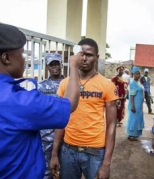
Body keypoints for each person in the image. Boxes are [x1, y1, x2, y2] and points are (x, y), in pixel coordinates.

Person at [0, 23, 82, 178]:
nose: (23, 59)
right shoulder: (22, 101)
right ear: (7, 57)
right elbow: (71, 103)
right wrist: (74, 67)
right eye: (21, 53)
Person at [50, 38, 118, 179]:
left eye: (89, 55)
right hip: (68, 150)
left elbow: (111, 125)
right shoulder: (65, 84)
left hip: (95, 152)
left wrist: (106, 163)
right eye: (81, 54)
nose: (84, 58)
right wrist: (54, 154)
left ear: (97, 58)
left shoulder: (107, 85)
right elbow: (60, 121)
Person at [38, 52, 65, 179]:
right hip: (47, 135)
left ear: (61, 65)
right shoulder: (42, 86)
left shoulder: (69, 84)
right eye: (51, 65)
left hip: (67, 135)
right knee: (47, 169)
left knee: (66, 169)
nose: (55, 67)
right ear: (47, 67)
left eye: (57, 64)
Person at [126, 66, 144, 141]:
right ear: (133, 75)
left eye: (139, 74)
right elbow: (132, 95)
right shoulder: (133, 83)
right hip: (135, 105)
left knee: (138, 119)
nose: (138, 75)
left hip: (139, 105)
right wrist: (133, 106)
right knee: (133, 119)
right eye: (136, 74)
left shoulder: (138, 82)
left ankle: (135, 134)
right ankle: (131, 134)